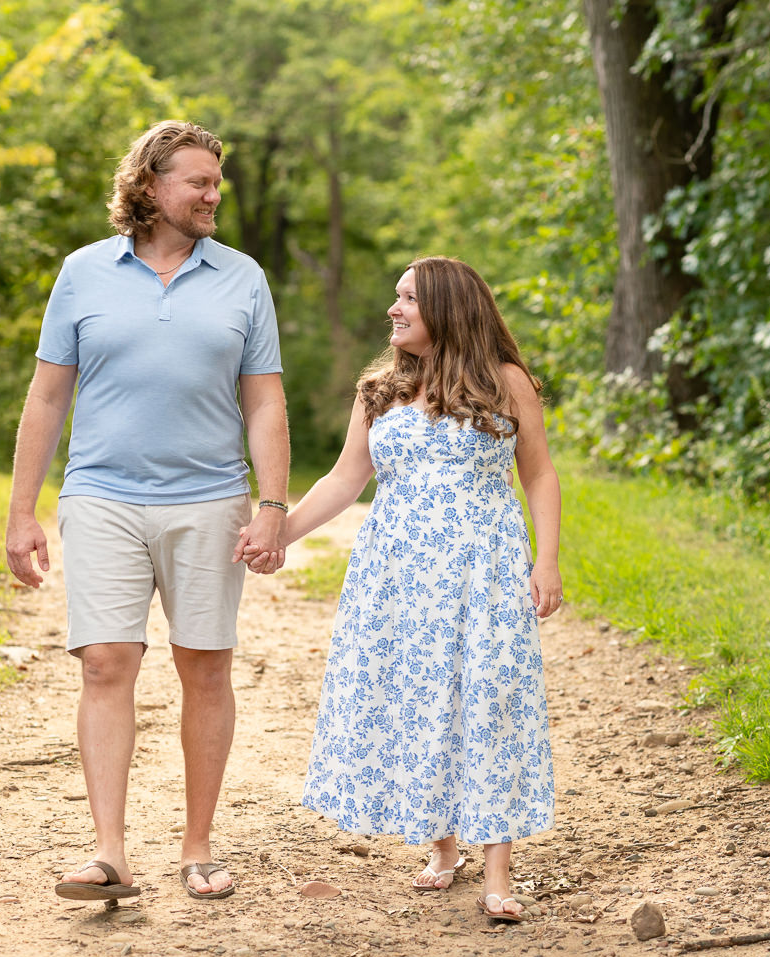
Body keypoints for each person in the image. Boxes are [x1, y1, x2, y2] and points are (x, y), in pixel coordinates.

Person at [5, 120, 289, 903]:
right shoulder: (83, 274)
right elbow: (48, 395)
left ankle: (198, 847)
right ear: (150, 187)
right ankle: (109, 854)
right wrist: (21, 510)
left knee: (204, 666)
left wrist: (270, 505)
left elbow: (264, 400)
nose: (213, 194)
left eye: (215, 182)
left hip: (209, 499)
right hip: (101, 496)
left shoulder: (243, 279)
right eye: (198, 181)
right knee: (104, 662)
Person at [238, 255, 561, 922]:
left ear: (446, 308)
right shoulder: (379, 391)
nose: (394, 309)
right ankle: (443, 843)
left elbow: (539, 476)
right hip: (396, 577)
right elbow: (343, 481)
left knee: (488, 700)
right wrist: (280, 533)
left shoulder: (507, 383)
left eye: (408, 298)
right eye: (395, 297)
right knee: (415, 699)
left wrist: (547, 561)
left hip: (484, 569)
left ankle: (497, 870)